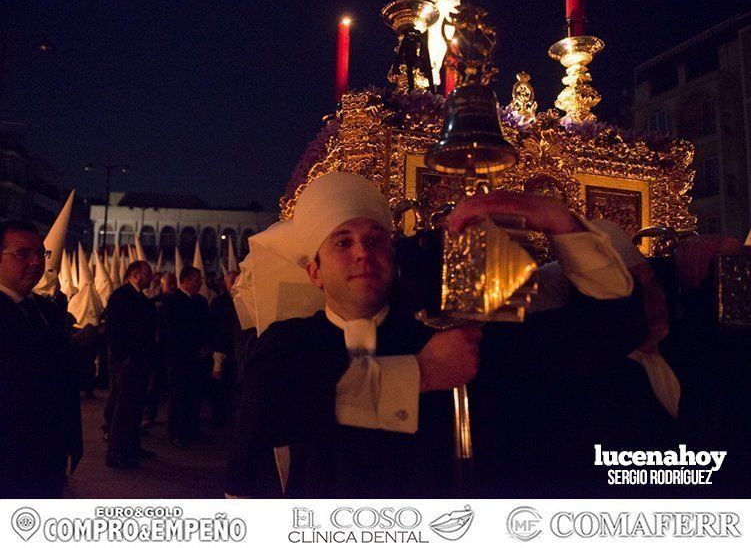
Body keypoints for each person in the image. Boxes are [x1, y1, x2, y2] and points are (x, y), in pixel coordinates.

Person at [226, 172, 638, 498]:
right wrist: (421, 373)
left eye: (375, 239)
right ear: (314, 272)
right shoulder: (289, 342)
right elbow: (270, 415)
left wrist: (556, 220)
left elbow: (610, 330)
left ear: (393, 254)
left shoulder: (445, 329)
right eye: (342, 242)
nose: (362, 253)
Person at [0, 220, 82, 497]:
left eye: (41, 253)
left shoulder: (46, 310)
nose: (36, 262)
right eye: (22, 254)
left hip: (50, 453)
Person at [103, 260, 157, 468]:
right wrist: (125, 357)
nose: (151, 277)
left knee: (135, 407)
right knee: (124, 408)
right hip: (129, 361)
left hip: (140, 360)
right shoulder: (121, 296)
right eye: (148, 273)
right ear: (136, 274)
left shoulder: (139, 297)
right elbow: (115, 330)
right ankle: (117, 454)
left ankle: (132, 446)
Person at [162, 266, 212, 448]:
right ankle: (177, 432)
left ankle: (192, 429)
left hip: (197, 358)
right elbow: (173, 330)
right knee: (179, 396)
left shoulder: (200, 301)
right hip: (180, 357)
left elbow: (207, 326)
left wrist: (205, 346)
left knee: (194, 395)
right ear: (187, 280)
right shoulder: (172, 301)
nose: (201, 283)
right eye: (198, 279)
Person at [142, 272, 178, 428]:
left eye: (172, 283)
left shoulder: (178, 302)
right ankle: (150, 414)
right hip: (157, 349)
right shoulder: (155, 302)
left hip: (171, 349)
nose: (170, 287)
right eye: (168, 283)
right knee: (153, 384)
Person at [209, 270, 241, 427]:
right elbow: (216, 329)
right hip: (222, 350)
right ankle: (218, 417)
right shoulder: (219, 303)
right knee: (220, 388)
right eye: (232, 281)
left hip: (236, 350)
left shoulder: (242, 300)